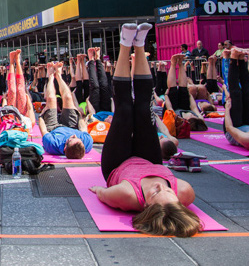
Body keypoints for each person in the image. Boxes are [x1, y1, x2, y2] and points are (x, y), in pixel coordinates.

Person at [89, 23, 201, 238]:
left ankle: (124, 43)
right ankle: (139, 44)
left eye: (156, 192)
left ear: (146, 206)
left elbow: (102, 194)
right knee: (143, 107)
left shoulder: (126, 196)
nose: (161, 186)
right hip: (149, 159)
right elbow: (173, 196)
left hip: (118, 164)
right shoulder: (185, 192)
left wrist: (99, 191)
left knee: (124, 109)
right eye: (168, 189)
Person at [38, 62, 93, 159]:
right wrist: (79, 115)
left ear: (64, 148)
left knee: (51, 99)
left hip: (53, 128)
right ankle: (59, 75)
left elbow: (43, 130)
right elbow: (83, 128)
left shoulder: (52, 145)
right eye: (77, 138)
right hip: (72, 125)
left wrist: (41, 116)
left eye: (72, 138)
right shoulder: (86, 143)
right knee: (68, 97)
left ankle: (51, 76)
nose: (74, 136)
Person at [164, 54, 208, 131]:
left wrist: (166, 96)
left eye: (191, 117)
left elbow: (170, 108)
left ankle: (173, 64)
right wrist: (189, 95)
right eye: (194, 116)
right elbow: (194, 108)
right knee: (184, 89)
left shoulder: (178, 119)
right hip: (184, 107)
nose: (192, 115)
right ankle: (180, 63)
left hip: (173, 109)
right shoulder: (198, 117)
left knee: (172, 90)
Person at [87, 47, 112, 113]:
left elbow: (92, 114)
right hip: (107, 110)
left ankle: (91, 59)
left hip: (95, 113)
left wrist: (88, 102)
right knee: (104, 85)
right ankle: (97, 58)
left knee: (95, 86)